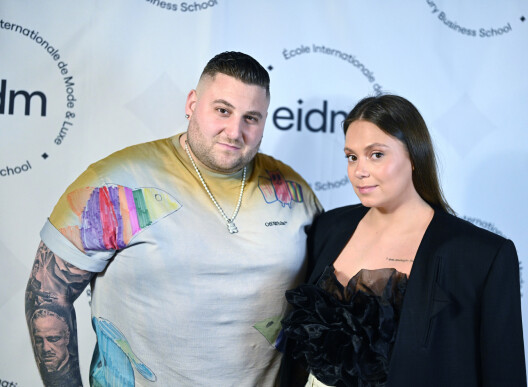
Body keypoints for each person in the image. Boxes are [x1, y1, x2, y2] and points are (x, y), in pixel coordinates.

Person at [25, 51, 322, 386]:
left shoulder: (294, 192)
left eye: (251, 118)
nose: (235, 131)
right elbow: (48, 294)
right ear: (192, 103)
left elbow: (316, 309)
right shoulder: (116, 182)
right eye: (222, 110)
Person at [280, 94, 526, 387]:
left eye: (377, 155)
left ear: (414, 157)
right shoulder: (328, 227)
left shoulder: (480, 256)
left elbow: (503, 374)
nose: (359, 170)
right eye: (352, 157)